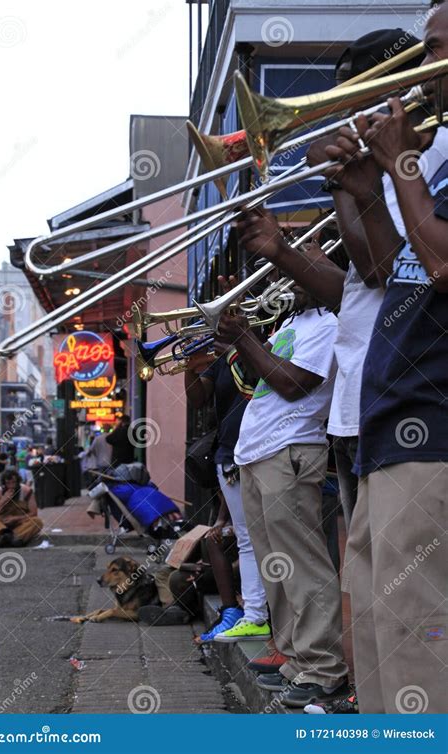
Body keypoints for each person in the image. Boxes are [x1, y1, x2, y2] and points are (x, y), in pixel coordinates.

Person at [235, 29, 425, 533]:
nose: (341, 109)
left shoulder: (414, 159)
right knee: (367, 585)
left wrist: (341, 177)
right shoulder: (381, 167)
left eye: (351, 92)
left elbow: (381, 269)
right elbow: (358, 295)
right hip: (356, 402)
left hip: (395, 400)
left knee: (397, 588)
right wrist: (278, 250)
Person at [321, 4, 448, 713]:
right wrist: (361, 184)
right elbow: (394, 268)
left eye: (433, 51)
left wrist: (399, 162)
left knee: (416, 638)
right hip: (391, 423)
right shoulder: (436, 158)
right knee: (375, 626)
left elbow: (441, 264)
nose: (424, 70)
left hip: (432, 423)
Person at [217, 284, 349, 708]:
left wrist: (243, 336)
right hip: (258, 452)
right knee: (276, 566)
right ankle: (295, 659)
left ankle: (324, 669)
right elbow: (257, 379)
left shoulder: (330, 325)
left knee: (301, 562)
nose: (282, 284)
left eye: (291, 274)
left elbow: (293, 384)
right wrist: (242, 338)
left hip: (290, 450)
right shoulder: (291, 323)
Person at [185, 343, 270, 643]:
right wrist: (188, 366)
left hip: (263, 450)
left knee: (266, 538)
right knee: (248, 540)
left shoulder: (263, 344)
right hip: (229, 455)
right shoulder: (220, 359)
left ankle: (260, 615)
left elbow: (256, 383)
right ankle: (248, 614)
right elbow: (198, 397)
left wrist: (237, 345)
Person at [0, 468, 43, 547]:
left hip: (20, 523)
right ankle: (7, 535)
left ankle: (11, 538)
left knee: (37, 522)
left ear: (18, 482)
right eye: (8, 483)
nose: (11, 486)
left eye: (13, 482)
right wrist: (3, 500)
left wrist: (16, 518)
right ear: (4, 484)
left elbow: (34, 513)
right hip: (1, 524)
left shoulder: (27, 491)